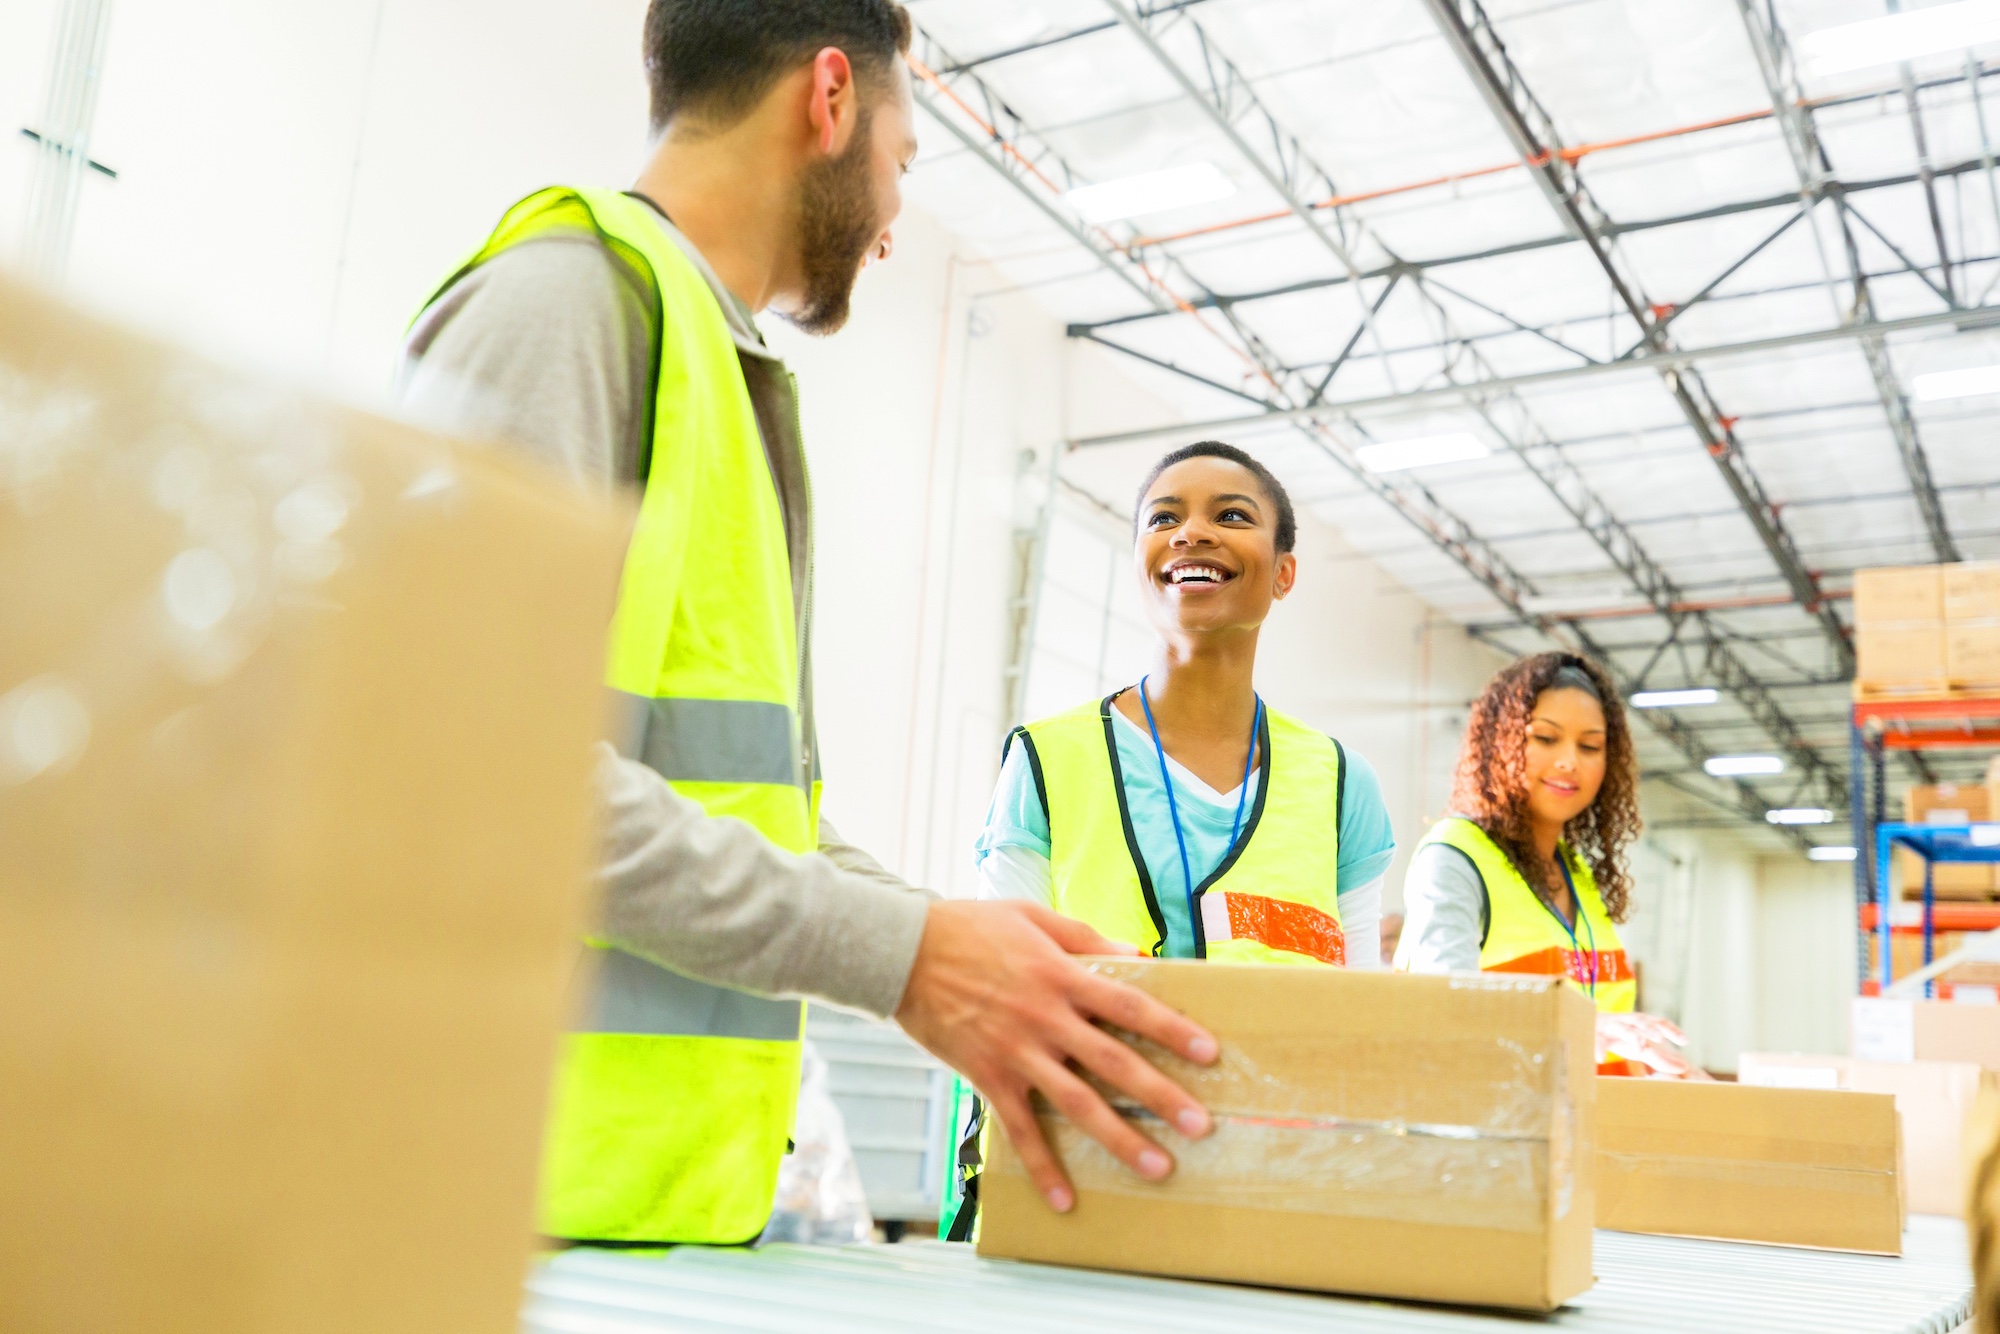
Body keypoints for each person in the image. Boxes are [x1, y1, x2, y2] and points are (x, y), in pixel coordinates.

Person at [396, 0, 1217, 1246]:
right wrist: (905, 953)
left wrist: (953, 942)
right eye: (901, 158)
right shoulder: (564, 309)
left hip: (634, 1225)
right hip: (483, 1222)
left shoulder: (709, 366)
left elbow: (721, 796)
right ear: (828, 98)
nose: (894, 217)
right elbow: (481, 776)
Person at [977, 441, 1397, 967]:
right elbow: (1008, 975)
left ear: (1283, 574)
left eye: (1231, 515)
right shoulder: (1046, 757)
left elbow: (1359, 997)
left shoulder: (1341, 782)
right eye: (1163, 518)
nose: (1191, 532)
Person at [1395, 652, 1695, 1076]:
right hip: (1491, 1130)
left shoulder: (1578, 876)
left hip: (1588, 1129)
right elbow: (1445, 1001)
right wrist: (1576, 1027)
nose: (1569, 760)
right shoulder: (1456, 856)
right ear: (1501, 743)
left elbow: (1611, 1032)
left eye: (1590, 746)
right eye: (1546, 738)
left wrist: (1672, 1078)